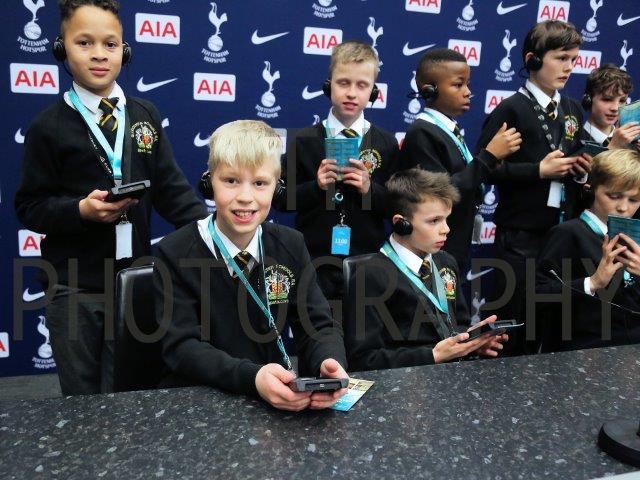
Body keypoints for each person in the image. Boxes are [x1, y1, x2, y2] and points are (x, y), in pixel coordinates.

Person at [14, 0, 207, 395]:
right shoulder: (47, 127)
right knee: (83, 400)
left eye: (111, 44)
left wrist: (213, 234)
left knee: (131, 392)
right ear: (60, 49)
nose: (99, 54)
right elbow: (29, 206)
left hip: (135, 283)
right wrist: (79, 210)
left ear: (125, 51)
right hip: (73, 288)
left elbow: (172, 190)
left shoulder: (144, 114)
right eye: (84, 43)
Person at [154, 120, 348, 411]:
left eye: (259, 183)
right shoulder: (174, 252)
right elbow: (182, 348)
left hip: (273, 400)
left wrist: (329, 361)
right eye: (231, 181)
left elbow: (318, 323)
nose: (245, 197)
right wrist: (253, 378)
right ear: (209, 182)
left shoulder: (290, 244)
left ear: (276, 188)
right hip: (197, 403)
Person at [475, 20, 590, 355]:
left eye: (573, 59)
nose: (569, 67)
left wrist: (581, 172)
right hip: (521, 236)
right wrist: (538, 170)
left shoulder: (571, 109)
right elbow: (485, 168)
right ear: (533, 59)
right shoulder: (511, 108)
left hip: (562, 235)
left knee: (556, 323)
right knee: (514, 325)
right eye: (561, 58)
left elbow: (576, 157)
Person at [344, 169, 507, 371]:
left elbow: (458, 325)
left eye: (446, 219)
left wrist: (471, 343)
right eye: (434, 221)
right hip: (404, 383)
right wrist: (433, 356)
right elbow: (363, 359)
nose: (446, 229)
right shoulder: (370, 275)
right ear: (401, 224)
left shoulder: (446, 262)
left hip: (452, 376)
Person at [276, 40, 399, 308]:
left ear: (374, 91)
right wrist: (316, 186)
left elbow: (396, 206)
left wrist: (369, 189)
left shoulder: (386, 143)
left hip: (367, 262)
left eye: (362, 85)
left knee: (363, 329)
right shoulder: (305, 141)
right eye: (343, 83)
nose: (352, 93)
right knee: (316, 328)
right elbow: (282, 200)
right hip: (314, 261)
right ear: (328, 85)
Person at [399, 48, 521, 270]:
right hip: (436, 251)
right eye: (458, 85)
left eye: (468, 84)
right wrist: (488, 156)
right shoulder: (422, 132)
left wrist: (494, 162)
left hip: (455, 244)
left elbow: (465, 178)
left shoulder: (448, 130)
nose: (468, 92)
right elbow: (441, 192)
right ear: (429, 90)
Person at [536, 149, 640, 351]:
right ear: (590, 189)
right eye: (613, 196)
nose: (623, 207)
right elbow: (536, 296)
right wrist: (592, 282)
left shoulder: (635, 239)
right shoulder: (568, 233)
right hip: (583, 350)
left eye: (633, 200)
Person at [580, 64, 640, 149]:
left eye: (622, 101)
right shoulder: (574, 142)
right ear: (588, 100)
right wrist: (613, 147)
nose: (615, 108)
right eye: (607, 99)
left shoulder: (632, 143)